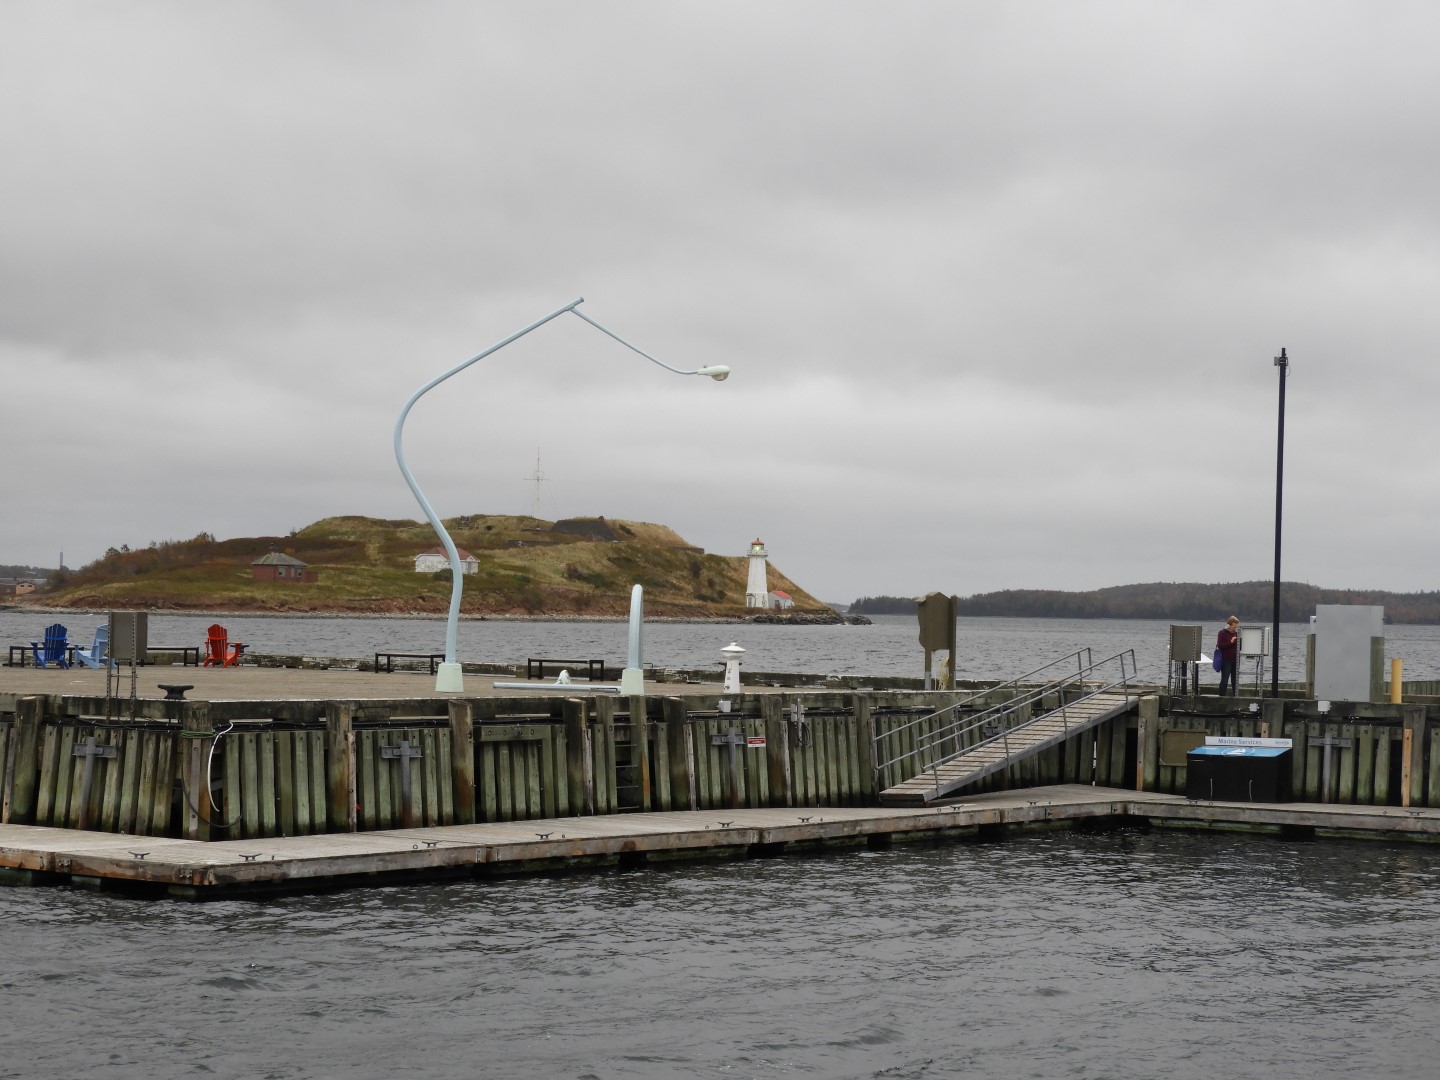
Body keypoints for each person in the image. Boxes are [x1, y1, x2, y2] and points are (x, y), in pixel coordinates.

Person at [1216, 615, 1240, 695]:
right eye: (1234, 627)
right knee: (1225, 679)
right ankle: (1222, 696)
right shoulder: (1222, 633)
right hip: (1226, 660)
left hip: (1235, 659)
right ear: (1229, 625)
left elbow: (1239, 648)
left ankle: (1235, 696)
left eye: (1236, 627)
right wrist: (1231, 643)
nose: (1235, 629)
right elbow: (1220, 646)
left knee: (1235, 680)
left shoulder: (1236, 634)